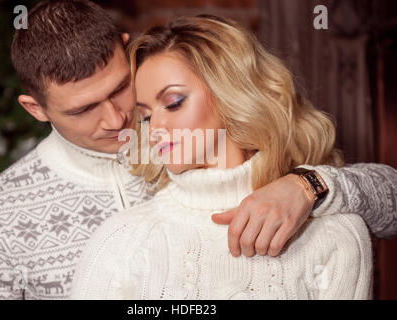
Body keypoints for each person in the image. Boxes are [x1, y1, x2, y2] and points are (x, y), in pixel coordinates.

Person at [0, 0, 396, 300]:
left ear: (128, 54)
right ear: (35, 108)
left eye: (122, 88)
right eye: (83, 109)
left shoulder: (193, 137)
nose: (117, 120)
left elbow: (390, 202)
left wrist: (311, 184)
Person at [71, 15, 373, 299]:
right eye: (146, 116)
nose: (156, 129)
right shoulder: (122, 239)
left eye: (174, 103)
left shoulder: (338, 235)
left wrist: (308, 185)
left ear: (233, 93)